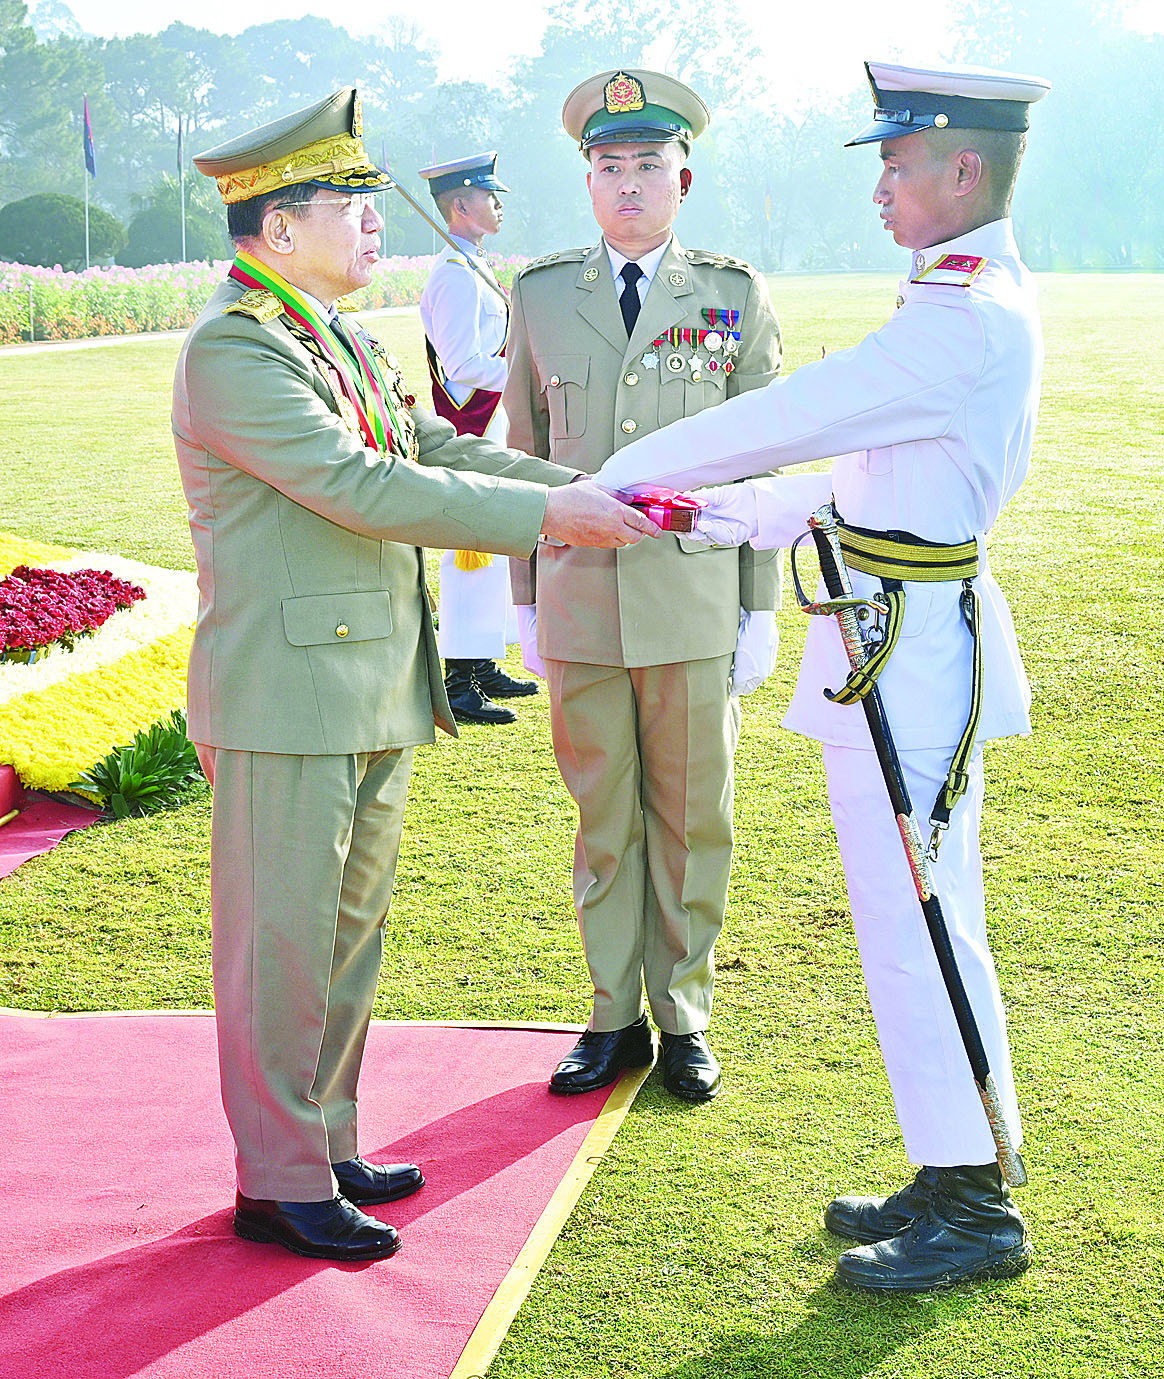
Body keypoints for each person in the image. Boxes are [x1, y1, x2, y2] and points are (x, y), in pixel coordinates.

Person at [174, 86, 660, 1264]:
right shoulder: (236, 349)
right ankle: (278, 1178)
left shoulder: (333, 333)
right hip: (285, 696)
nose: (374, 219)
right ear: (277, 227)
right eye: (349, 203)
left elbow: (429, 445)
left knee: (346, 935)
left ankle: (326, 1141)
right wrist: (551, 515)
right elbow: (361, 486)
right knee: (281, 947)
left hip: (368, 681)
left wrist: (583, 480)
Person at [596, 59, 1051, 1291]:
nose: (881, 191)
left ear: (964, 169)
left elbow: (795, 415)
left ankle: (977, 1207)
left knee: (923, 923)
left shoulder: (964, 314)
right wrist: (711, 513)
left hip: (914, 656)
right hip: (892, 635)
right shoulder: (956, 298)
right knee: (911, 922)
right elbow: (858, 483)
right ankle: (954, 1164)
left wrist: (623, 470)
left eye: (897, 166)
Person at [503, 69, 784, 1104]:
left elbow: (761, 461)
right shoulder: (540, 295)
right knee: (603, 819)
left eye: (647, 165)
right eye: (609, 165)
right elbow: (521, 451)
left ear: (683, 178)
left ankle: (686, 1015)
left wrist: (758, 605)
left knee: (693, 818)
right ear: (588, 181)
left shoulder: (731, 295)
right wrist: (523, 599)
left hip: (693, 601)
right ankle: (612, 1014)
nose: (628, 183)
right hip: (580, 599)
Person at [418, 151, 536, 725]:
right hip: (472, 425)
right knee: (470, 555)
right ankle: (458, 682)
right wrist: (526, 369)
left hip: (493, 422)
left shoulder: (473, 267)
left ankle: (482, 663)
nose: (499, 205)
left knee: (492, 550)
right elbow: (462, 364)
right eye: (490, 197)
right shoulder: (454, 276)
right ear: (461, 205)